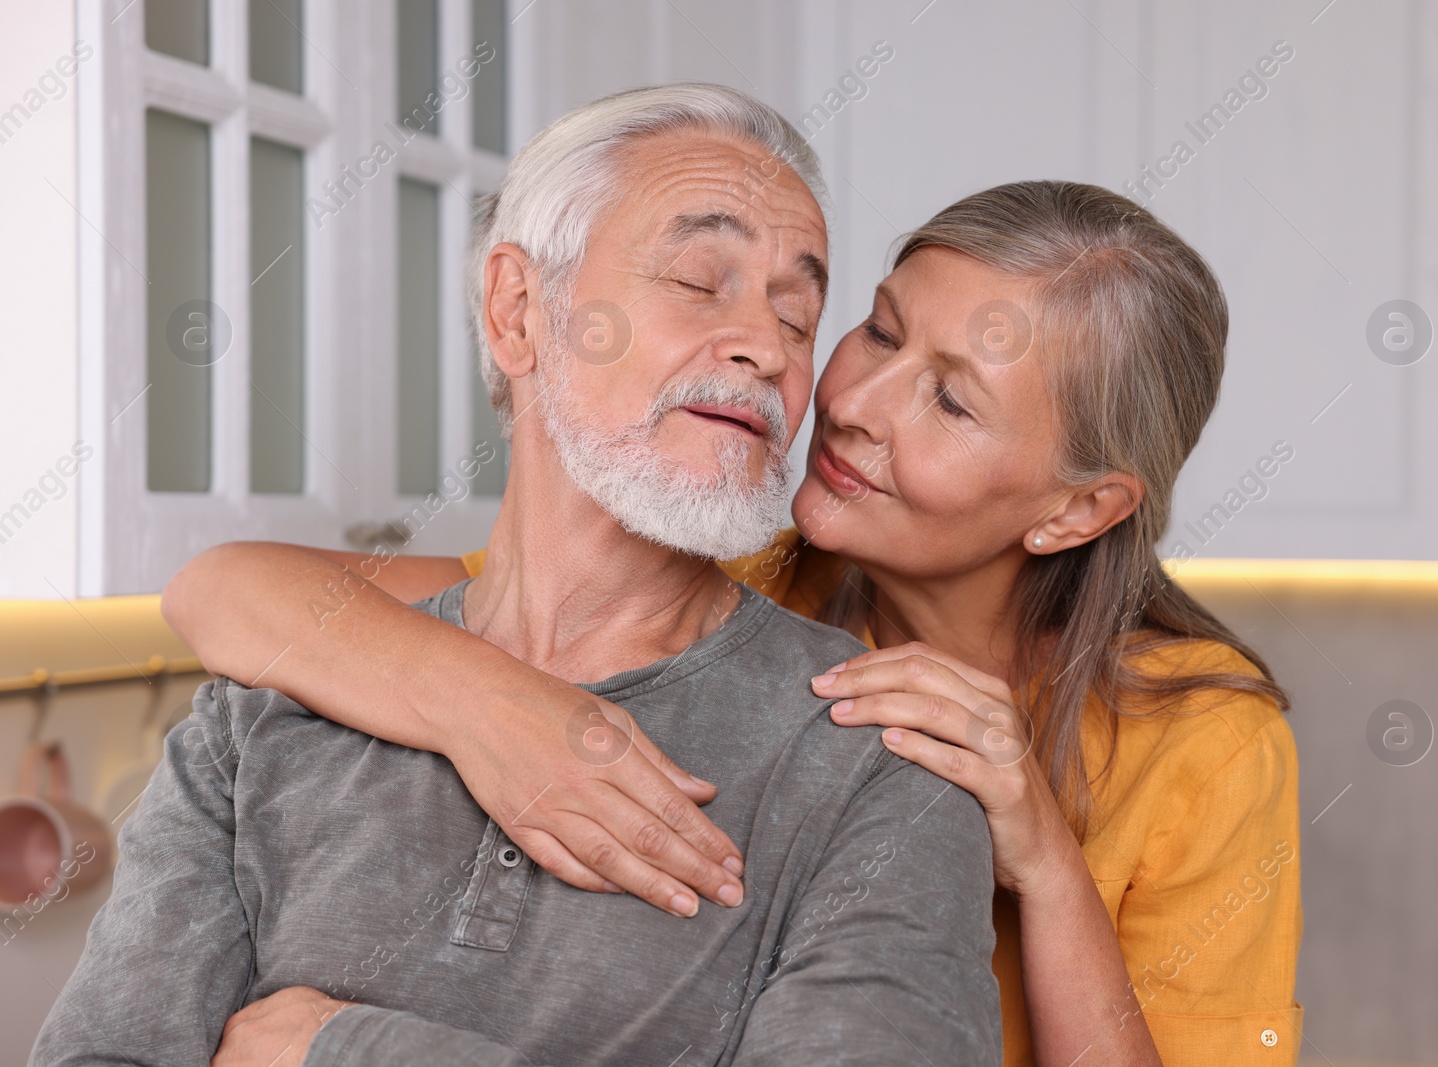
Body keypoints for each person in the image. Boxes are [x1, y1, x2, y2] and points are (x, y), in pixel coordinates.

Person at [166, 176, 1304, 1062]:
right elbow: (224, 591)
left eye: (950, 399)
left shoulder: (1206, 741)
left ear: (1078, 507)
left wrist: (1049, 867)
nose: (850, 403)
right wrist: (501, 710)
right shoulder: (732, 576)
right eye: (878, 330)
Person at [31, 84, 1004, 1067]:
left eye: (797, 316)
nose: (766, 348)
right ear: (518, 311)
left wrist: (338, 1047)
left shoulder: (882, 768)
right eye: (701, 279)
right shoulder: (257, 720)